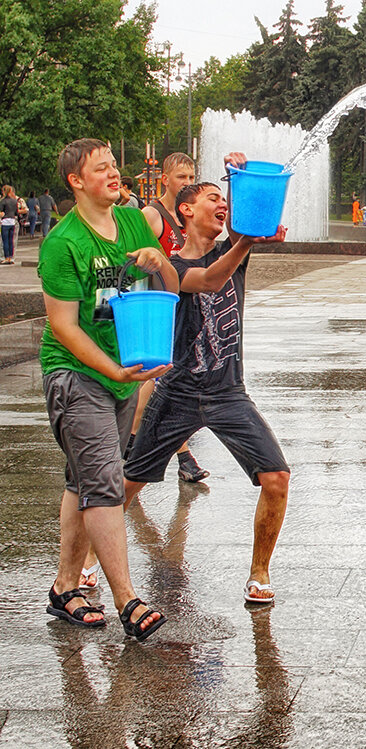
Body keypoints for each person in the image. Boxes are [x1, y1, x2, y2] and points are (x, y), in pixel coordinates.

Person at [124, 154, 290, 605]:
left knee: (276, 477)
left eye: (224, 200)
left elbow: (252, 217)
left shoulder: (234, 245)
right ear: (186, 210)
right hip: (177, 392)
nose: (221, 205)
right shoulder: (167, 265)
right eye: (212, 199)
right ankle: (83, 562)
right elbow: (211, 281)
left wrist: (235, 176)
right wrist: (246, 244)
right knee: (127, 483)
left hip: (227, 391)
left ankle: (259, 573)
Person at [38, 137, 177, 640]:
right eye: (102, 169)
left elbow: (172, 293)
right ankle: (128, 600)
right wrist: (114, 373)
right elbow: (64, 328)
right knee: (104, 484)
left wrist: (159, 263)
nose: (115, 174)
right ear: (76, 181)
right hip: (77, 374)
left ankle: (64, 587)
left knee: (83, 481)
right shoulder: (63, 243)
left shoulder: (136, 223)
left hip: (123, 373)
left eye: (115, 165)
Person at [138, 152, 208, 484]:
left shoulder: (187, 215)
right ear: (164, 179)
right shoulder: (153, 216)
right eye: (181, 177)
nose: (188, 183)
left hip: (183, 313)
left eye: (192, 176)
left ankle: (145, 450)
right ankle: (179, 457)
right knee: (156, 383)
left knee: (165, 383)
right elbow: (130, 256)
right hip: (160, 311)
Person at [0, 185, 19, 264]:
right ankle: (11, 258)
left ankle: (6, 257)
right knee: (11, 240)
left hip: (5, 221)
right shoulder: (15, 201)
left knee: (5, 241)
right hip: (12, 221)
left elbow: (1, 211)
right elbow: (16, 212)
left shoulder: (3, 201)